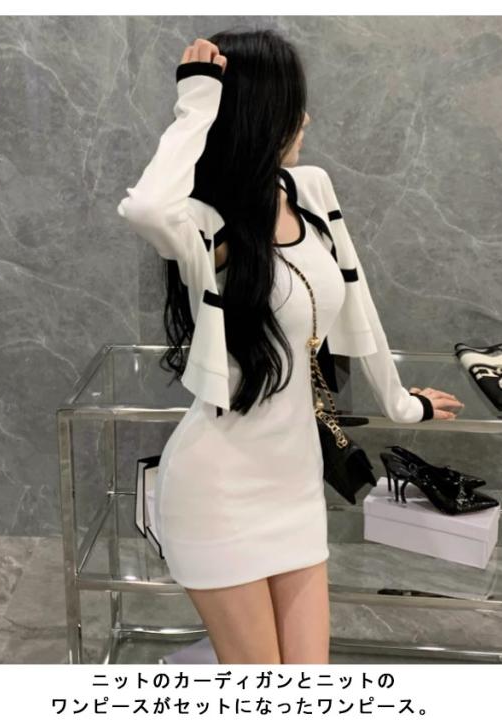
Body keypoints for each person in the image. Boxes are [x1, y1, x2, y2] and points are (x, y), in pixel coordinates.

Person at [117, 29, 464, 665]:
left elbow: (359, 305)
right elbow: (144, 209)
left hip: (296, 484)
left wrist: (401, 403)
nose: (305, 119)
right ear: (257, 112)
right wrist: (197, 103)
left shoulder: (310, 189)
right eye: (292, 104)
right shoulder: (205, 222)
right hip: (218, 490)